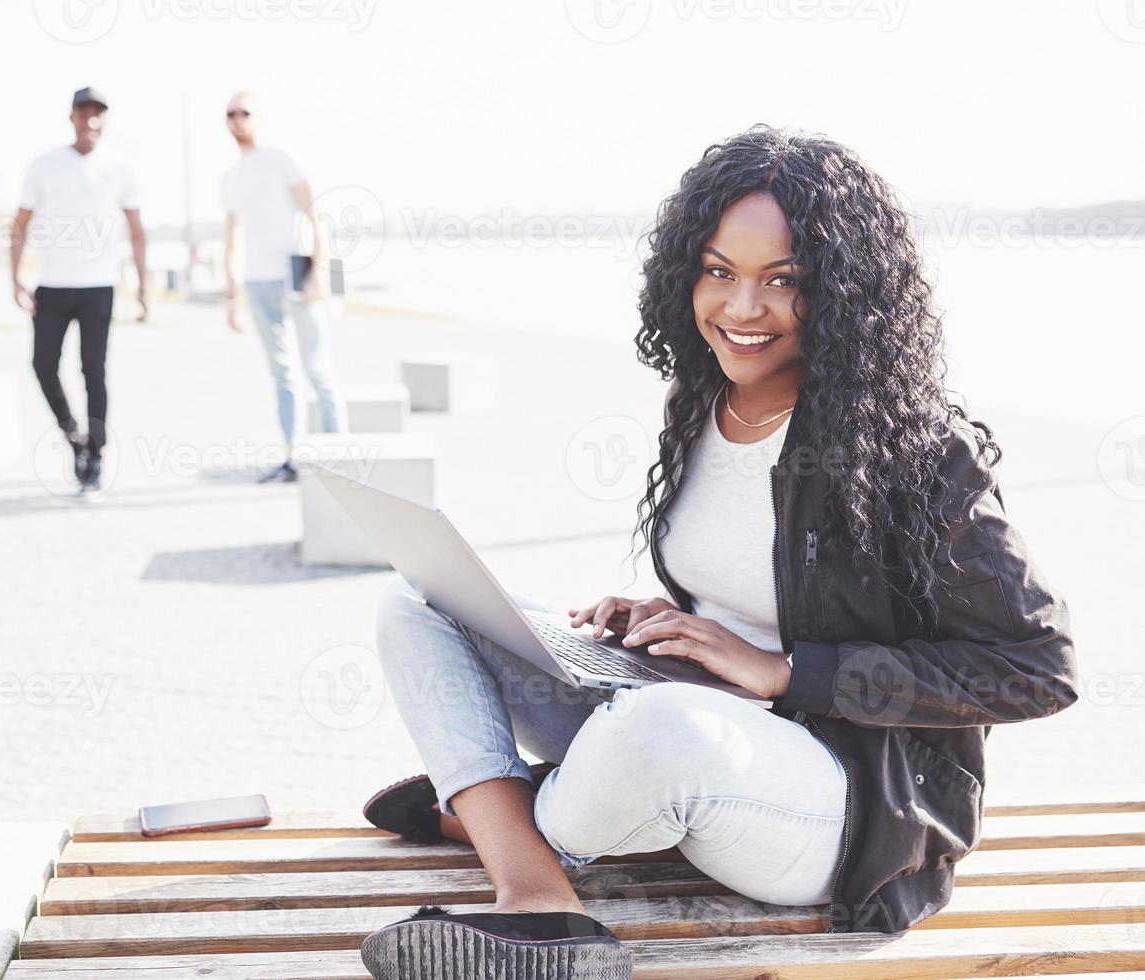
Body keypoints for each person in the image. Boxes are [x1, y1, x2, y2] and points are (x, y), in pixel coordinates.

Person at [356, 126, 1079, 978]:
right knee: (423, 600)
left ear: (846, 293)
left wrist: (785, 672)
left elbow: (1037, 668)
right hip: (696, 716)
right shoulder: (704, 399)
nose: (741, 309)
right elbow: (756, 588)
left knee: (654, 731)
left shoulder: (914, 453)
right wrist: (668, 618)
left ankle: (493, 812)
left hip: (842, 805)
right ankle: (540, 889)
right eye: (718, 271)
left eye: (784, 281)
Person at [11, 86, 148, 495]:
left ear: (104, 120)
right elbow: (20, 225)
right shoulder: (45, 165)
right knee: (42, 365)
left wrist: (142, 287)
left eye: (97, 114)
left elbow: (138, 232)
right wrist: (14, 278)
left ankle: (97, 456)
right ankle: (74, 436)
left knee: (94, 372)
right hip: (52, 286)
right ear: (71, 117)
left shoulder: (119, 168)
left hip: (98, 287)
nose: (90, 121)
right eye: (83, 113)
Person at [220, 91, 341, 483]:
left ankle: (339, 457)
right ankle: (292, 457)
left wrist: (320, 272)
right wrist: (231, 294)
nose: (238, 119)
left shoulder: (282, 160)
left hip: (296, 271)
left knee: (317, 368)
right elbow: (231, 236)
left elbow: (315, 215)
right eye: (230, 114)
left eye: (245, 112)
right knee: (281, 374)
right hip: (257, 281)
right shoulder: (231, 177)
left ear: (257, 117)